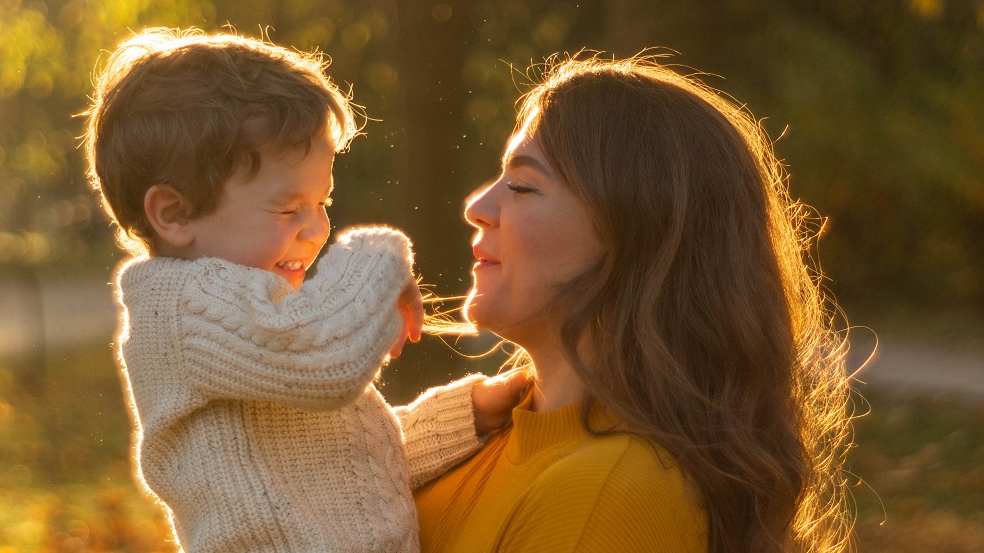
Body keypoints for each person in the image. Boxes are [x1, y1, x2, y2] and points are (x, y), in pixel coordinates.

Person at [82, 28, 529, 553]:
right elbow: (329, 356)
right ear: (176, 214)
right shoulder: (180, 309)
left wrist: (462, 416)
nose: (317, 230)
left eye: (324, 203)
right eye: (288, 208)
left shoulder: (255, 318)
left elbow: (339, 471)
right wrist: (377, 255)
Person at [414, 56, 853, 552]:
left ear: (636, 233)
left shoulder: (605, 495)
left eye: (522, 186)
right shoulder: (480, 435)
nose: (477, 207)